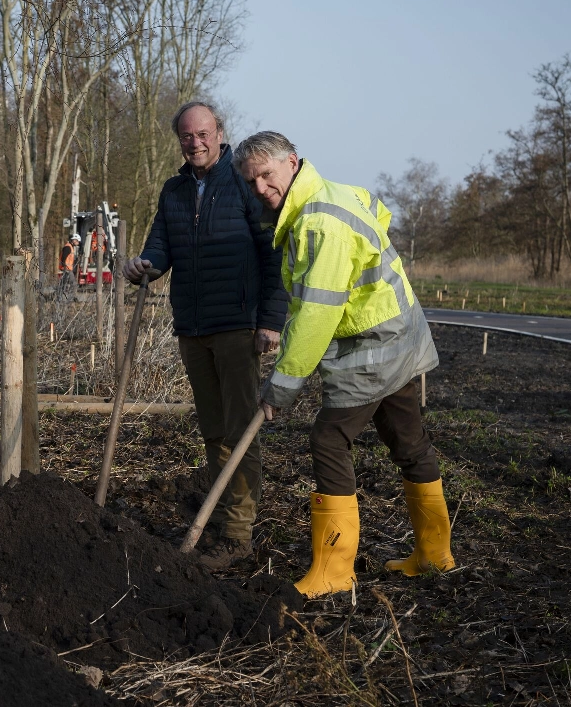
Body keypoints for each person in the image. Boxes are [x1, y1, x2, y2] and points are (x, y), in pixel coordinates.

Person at [235, 130, 454, 598]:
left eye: (266, 175)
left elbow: (316, 313)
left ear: (291, 162)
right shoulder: (331, 194)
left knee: (329, 439)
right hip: (401, 332)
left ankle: (334, 572)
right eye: (251, 181)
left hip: (376, 344)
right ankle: (435, 556)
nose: (260, 188)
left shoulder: (319, 224)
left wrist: (282, 385)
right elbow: (377, 212)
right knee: (409, 442)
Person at [122, 101, 288, 569]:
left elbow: (273, 256)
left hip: (237, 326)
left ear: (219, 133)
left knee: (238, 430)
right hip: (191, 326)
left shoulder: (244, 184)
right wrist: (144, 266)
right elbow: (160, 245)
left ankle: (237, 533)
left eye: (203, 134)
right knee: (212, 429)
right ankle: (221, 513)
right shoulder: (173, 191)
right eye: (186, 137)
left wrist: (270, 320)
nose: (195, 143)